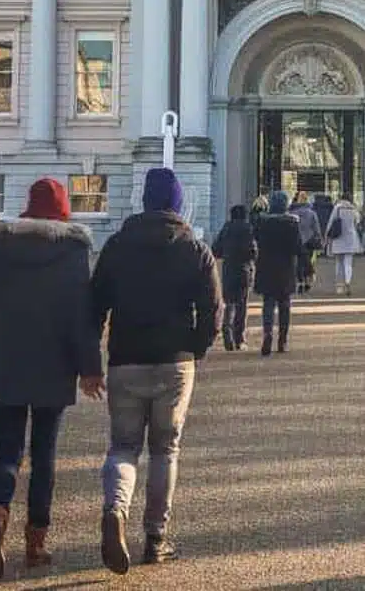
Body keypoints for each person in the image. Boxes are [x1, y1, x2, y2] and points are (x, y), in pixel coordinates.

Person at [0, 177, 103, 583]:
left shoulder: (3, 243)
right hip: (53, 363)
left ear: (28, 207)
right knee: (44, 456)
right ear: (64, 210)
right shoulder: (74, 250)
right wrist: (90, 368)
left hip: (5, 363)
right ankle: (36, 542)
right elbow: (82, 317)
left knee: (7, 453)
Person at [91, 167, 222, 574]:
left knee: (123, 447)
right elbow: (214, 311)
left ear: (144, 202)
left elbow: (94, 306)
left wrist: (90, 361)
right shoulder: (194, 248)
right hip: (174, 360)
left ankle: (116, 508)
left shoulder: (116, 245)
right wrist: (195, 347)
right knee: (165, 449)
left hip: (126, 358)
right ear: (178, 204)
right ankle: (156, 538)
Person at [254, 190, 304, 355]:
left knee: (268, 304)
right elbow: (298, 248)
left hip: (266, 267)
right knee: (285, 305)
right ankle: (282, 340)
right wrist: (307, 269)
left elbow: (255, 237)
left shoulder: (262, 222)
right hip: (286, 268)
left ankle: (267, 333)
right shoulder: (292, 223)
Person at [211, 204, 258, 350]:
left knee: (229, 302)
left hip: (229, 268)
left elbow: (216, 249)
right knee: (242, 304)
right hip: (244, 269)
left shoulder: (226, 228)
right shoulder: (248, 229)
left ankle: (227, 331)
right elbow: (253, 251)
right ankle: (240, 338)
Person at [324, 194, 362, 295]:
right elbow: (358, 221)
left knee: (339, 263)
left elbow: (331, 222)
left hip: (338, 238)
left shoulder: (337, 208)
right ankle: (348, 282)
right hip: (351, 238)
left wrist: (326, 235)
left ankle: (339, 286)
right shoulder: (353, 209)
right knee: (348, 263)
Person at [289, 190, 323, 293]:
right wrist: (319, 237)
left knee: (299, 262)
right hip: (309, 240)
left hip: (297, 240)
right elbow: (316, 227)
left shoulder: (292, 213)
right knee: (308, 261)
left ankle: (300, 282)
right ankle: (308, 280)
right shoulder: (312, 213)